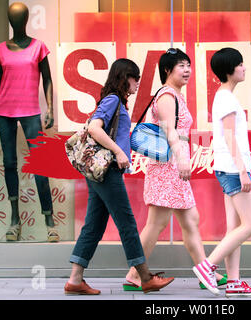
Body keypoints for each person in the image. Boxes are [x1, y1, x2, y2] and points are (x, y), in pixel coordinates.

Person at [64, 58, 174, 295]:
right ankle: (145, 277)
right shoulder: (113, 100)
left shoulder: (115, 101)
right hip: (108, 171)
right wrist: (118, 151)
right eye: (135, 79)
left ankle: (75, 279)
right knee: (127, 223)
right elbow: (94, 127)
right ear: (125, 78)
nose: (137, 84)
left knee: (93, 225)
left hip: (101, 173)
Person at [124, 48, 227, 291]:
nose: (187, 70)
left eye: (188, 65)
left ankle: (205, 273)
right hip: (168, 167)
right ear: (167, 70)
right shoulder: (167, 95)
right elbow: (170, 131)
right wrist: (182, 159)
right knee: (156, 224)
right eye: (181, 65)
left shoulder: (176, 95)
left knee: (191, 220)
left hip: (173, 168)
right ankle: (134, 274)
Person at [192, 48, 251, 298]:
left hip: (228, 168)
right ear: (229, 70)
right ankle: (207, 266)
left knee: (234, 227)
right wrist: (243, 172)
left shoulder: (224, 97)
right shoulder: (227, 99)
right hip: (234, 169)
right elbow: (231, 137)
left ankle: (234, 282)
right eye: (240, 65)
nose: (244, 68)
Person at [0, 2, 58, 242]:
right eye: (12, 18)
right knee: (10, 164)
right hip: (5, 111)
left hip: (30, 112)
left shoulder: (38, 47)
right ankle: (14, 219)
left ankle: (49, 219)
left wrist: (49, 108)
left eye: (19, 17)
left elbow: (47, 79)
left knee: (40, 165)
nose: (15, 21)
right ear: (9, 21)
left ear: (26, 20)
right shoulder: (0, 49)